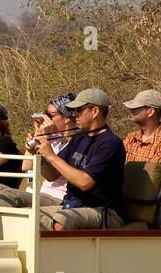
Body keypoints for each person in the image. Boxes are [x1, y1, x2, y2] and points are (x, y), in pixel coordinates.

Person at [36, 88, 127, 230]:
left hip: (102, 210)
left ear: (95, 111)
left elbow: (85, 182)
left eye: (79, 110)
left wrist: (51, 156)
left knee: (62, 220)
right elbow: (52, 175)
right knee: (29, 216)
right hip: (70, 205)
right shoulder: (79, 137)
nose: (74, 114)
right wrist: (40, 155)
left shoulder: (110, 143)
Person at [0, 93, 77, 206]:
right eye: (45, 114)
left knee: (8, 195)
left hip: (58, 197)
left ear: (67, 118)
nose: (46, 119)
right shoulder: (54, 139)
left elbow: (52, 176)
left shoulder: (76, 143)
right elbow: (26, 166)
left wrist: (43, 140)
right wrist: (38, 135)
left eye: (50, 115)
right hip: (42, 192)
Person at [121, 89, 161, 163]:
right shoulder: (132, 137)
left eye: (136, 108)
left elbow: (153, 170)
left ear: (151, 112)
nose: (131, 110)